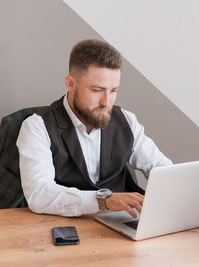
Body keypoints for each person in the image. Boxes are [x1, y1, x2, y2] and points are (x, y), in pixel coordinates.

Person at [16, 39, 172, 218]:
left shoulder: (127, 120)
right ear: (71, 83)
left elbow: (161, 168)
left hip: (121, 224)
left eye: (113, 90)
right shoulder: (37, 126)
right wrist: (103, 200)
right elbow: (39, 194)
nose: (106, 102)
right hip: (63, 229)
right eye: (97, 90)